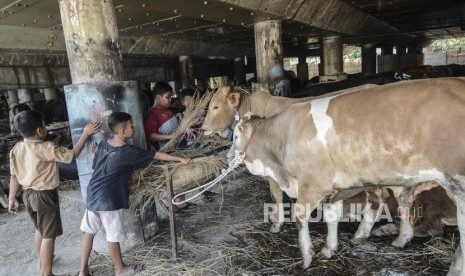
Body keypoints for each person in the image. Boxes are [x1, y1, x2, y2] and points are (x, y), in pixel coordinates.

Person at [79, 111, 190, 276]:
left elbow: (97, 166)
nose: (135, 128)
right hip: (108, 199)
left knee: (89, 232)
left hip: (93, 193)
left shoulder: (103, 144)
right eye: (131, 126)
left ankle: (83, 271)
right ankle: (120, 269)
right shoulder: (128, 151)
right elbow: (156, 155)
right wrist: (180, 159)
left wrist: (97, 153)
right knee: (113, 236)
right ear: (122, 131)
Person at [8, 110, 99, 276]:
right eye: (44, 125)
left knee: (40, 230)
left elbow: (14, 176)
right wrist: (85, 134)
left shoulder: (16, 148)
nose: (45, 128)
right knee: (49, 235)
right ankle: (47, 272)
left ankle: (42, 261)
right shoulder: (45, 148)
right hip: (44, 195)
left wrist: (12, 197)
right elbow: (72, 156)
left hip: (27, 195)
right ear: (39, 131)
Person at [144, 81, 181, 150]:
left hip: (177, 147)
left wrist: (178, 116)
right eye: (167, 97)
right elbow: (149, 136)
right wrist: (169, 136)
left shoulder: (167, 110)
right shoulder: (152, 115)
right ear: (158, 97)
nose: (170, 100)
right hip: (165, 151)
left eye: (171, 97)